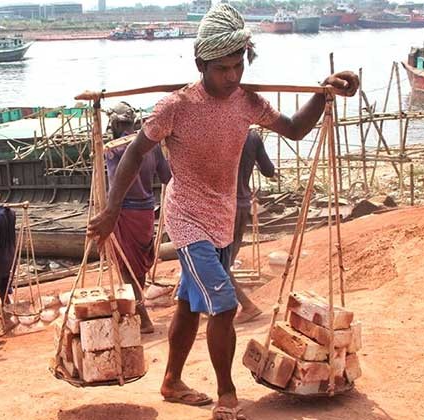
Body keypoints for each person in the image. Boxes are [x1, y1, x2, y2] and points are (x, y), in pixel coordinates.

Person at [87, 4, 358, 419]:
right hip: (186, 217)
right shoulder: (174, 107)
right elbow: (134, 153)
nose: (232, 76)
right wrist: (110, 210)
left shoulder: (247, 102)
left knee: (188, 305)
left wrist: (324, 92)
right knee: (224, 304)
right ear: (201, 64)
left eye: (237, 66)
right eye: (222, 69)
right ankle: (227, 394)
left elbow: (295, 129)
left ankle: (172, 380)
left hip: (222, 216)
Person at [105, 101, 172, 334]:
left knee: (125, 267)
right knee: (138, 267)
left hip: (125, 211)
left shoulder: (114, 149)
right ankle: (137, 309)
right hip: (145, 211)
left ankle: (143, 317)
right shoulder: (151, 146)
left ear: (114, 123)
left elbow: (114, 187)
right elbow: (167, 176)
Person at [229, 130, 274, 324]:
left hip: (223, 206)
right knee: (225, 260)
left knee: (218, 262)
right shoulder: (252, 136)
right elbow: (269, 170)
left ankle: (247, 305)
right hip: (242, 204)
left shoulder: (219, 131)